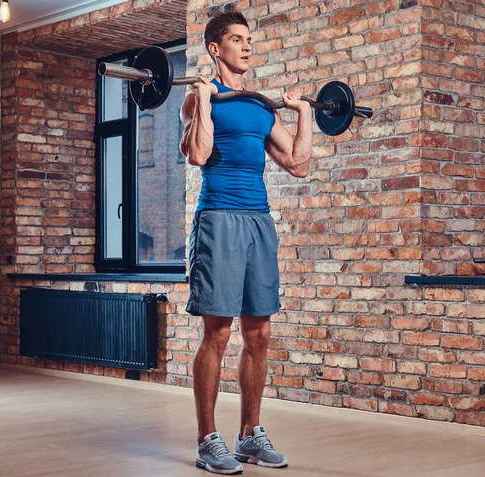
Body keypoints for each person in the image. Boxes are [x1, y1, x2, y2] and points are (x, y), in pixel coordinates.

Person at [179, 10, 313, 475]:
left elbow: (297, 163)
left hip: (258, 221)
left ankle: (249, 436)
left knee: (259, 333)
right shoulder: (203, 97)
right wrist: (200, 100)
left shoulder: (259, 106)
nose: (247, 46)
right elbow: (197, 154)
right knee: (216, 333)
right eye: (237, 39)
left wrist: (305, 113)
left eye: (249, 39)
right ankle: (207, 440)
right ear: (216, 49)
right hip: (219, 219)